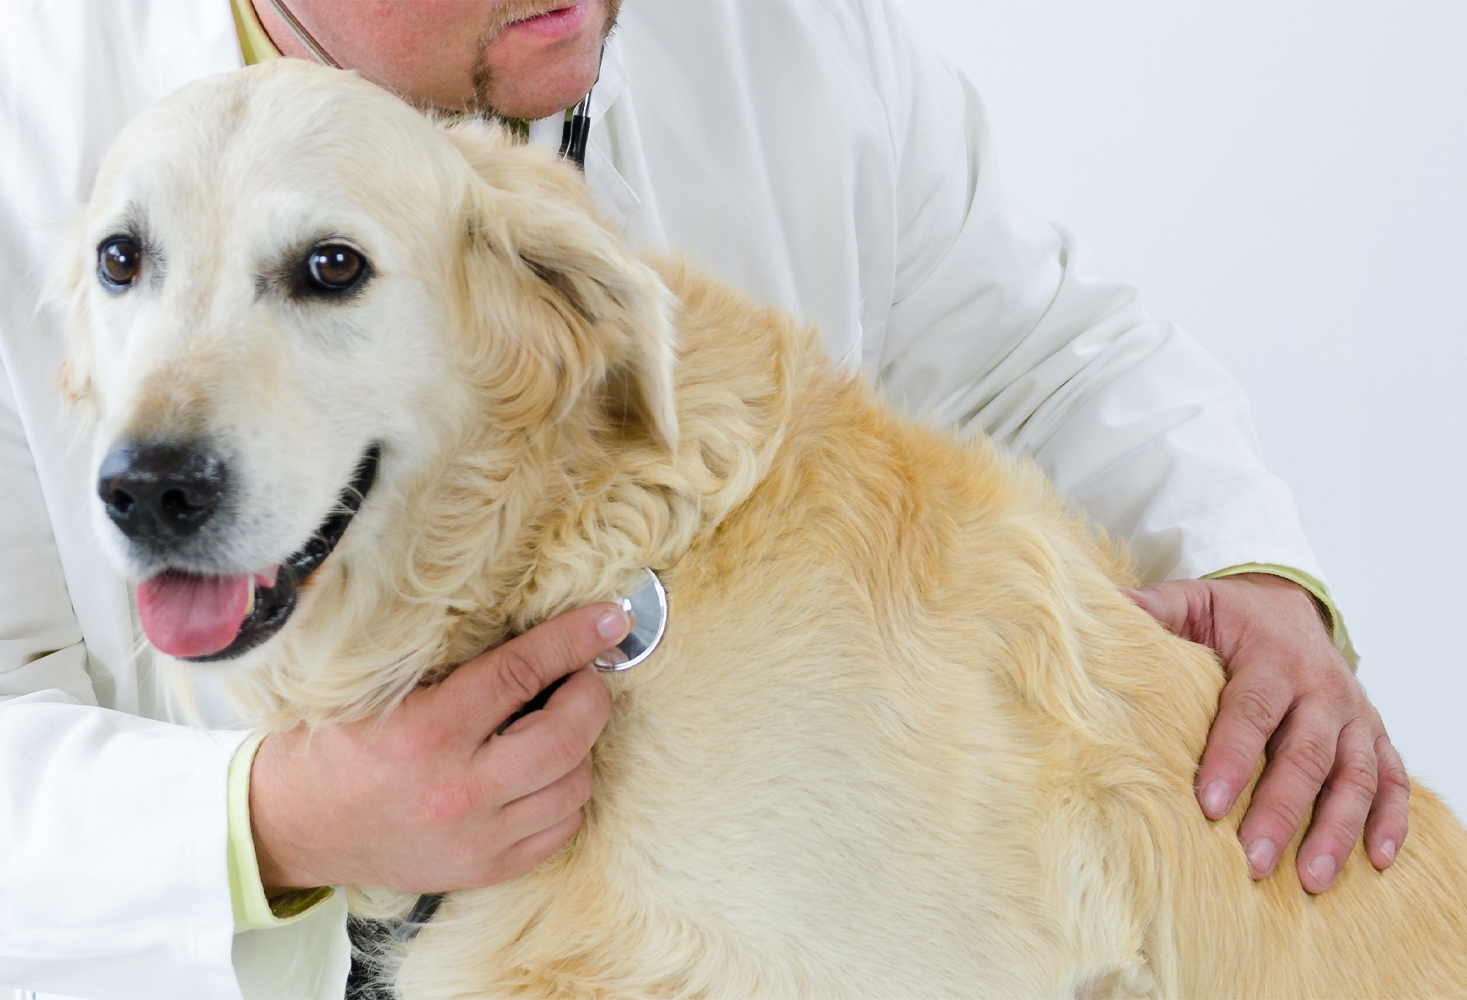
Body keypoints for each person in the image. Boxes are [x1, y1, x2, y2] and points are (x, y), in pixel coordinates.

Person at [0, 1, 1408, 997]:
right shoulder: (25, 124)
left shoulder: (783, 37)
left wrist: (1258, 578)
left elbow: (1044, 350)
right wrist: (272, 823)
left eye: (326, 273)